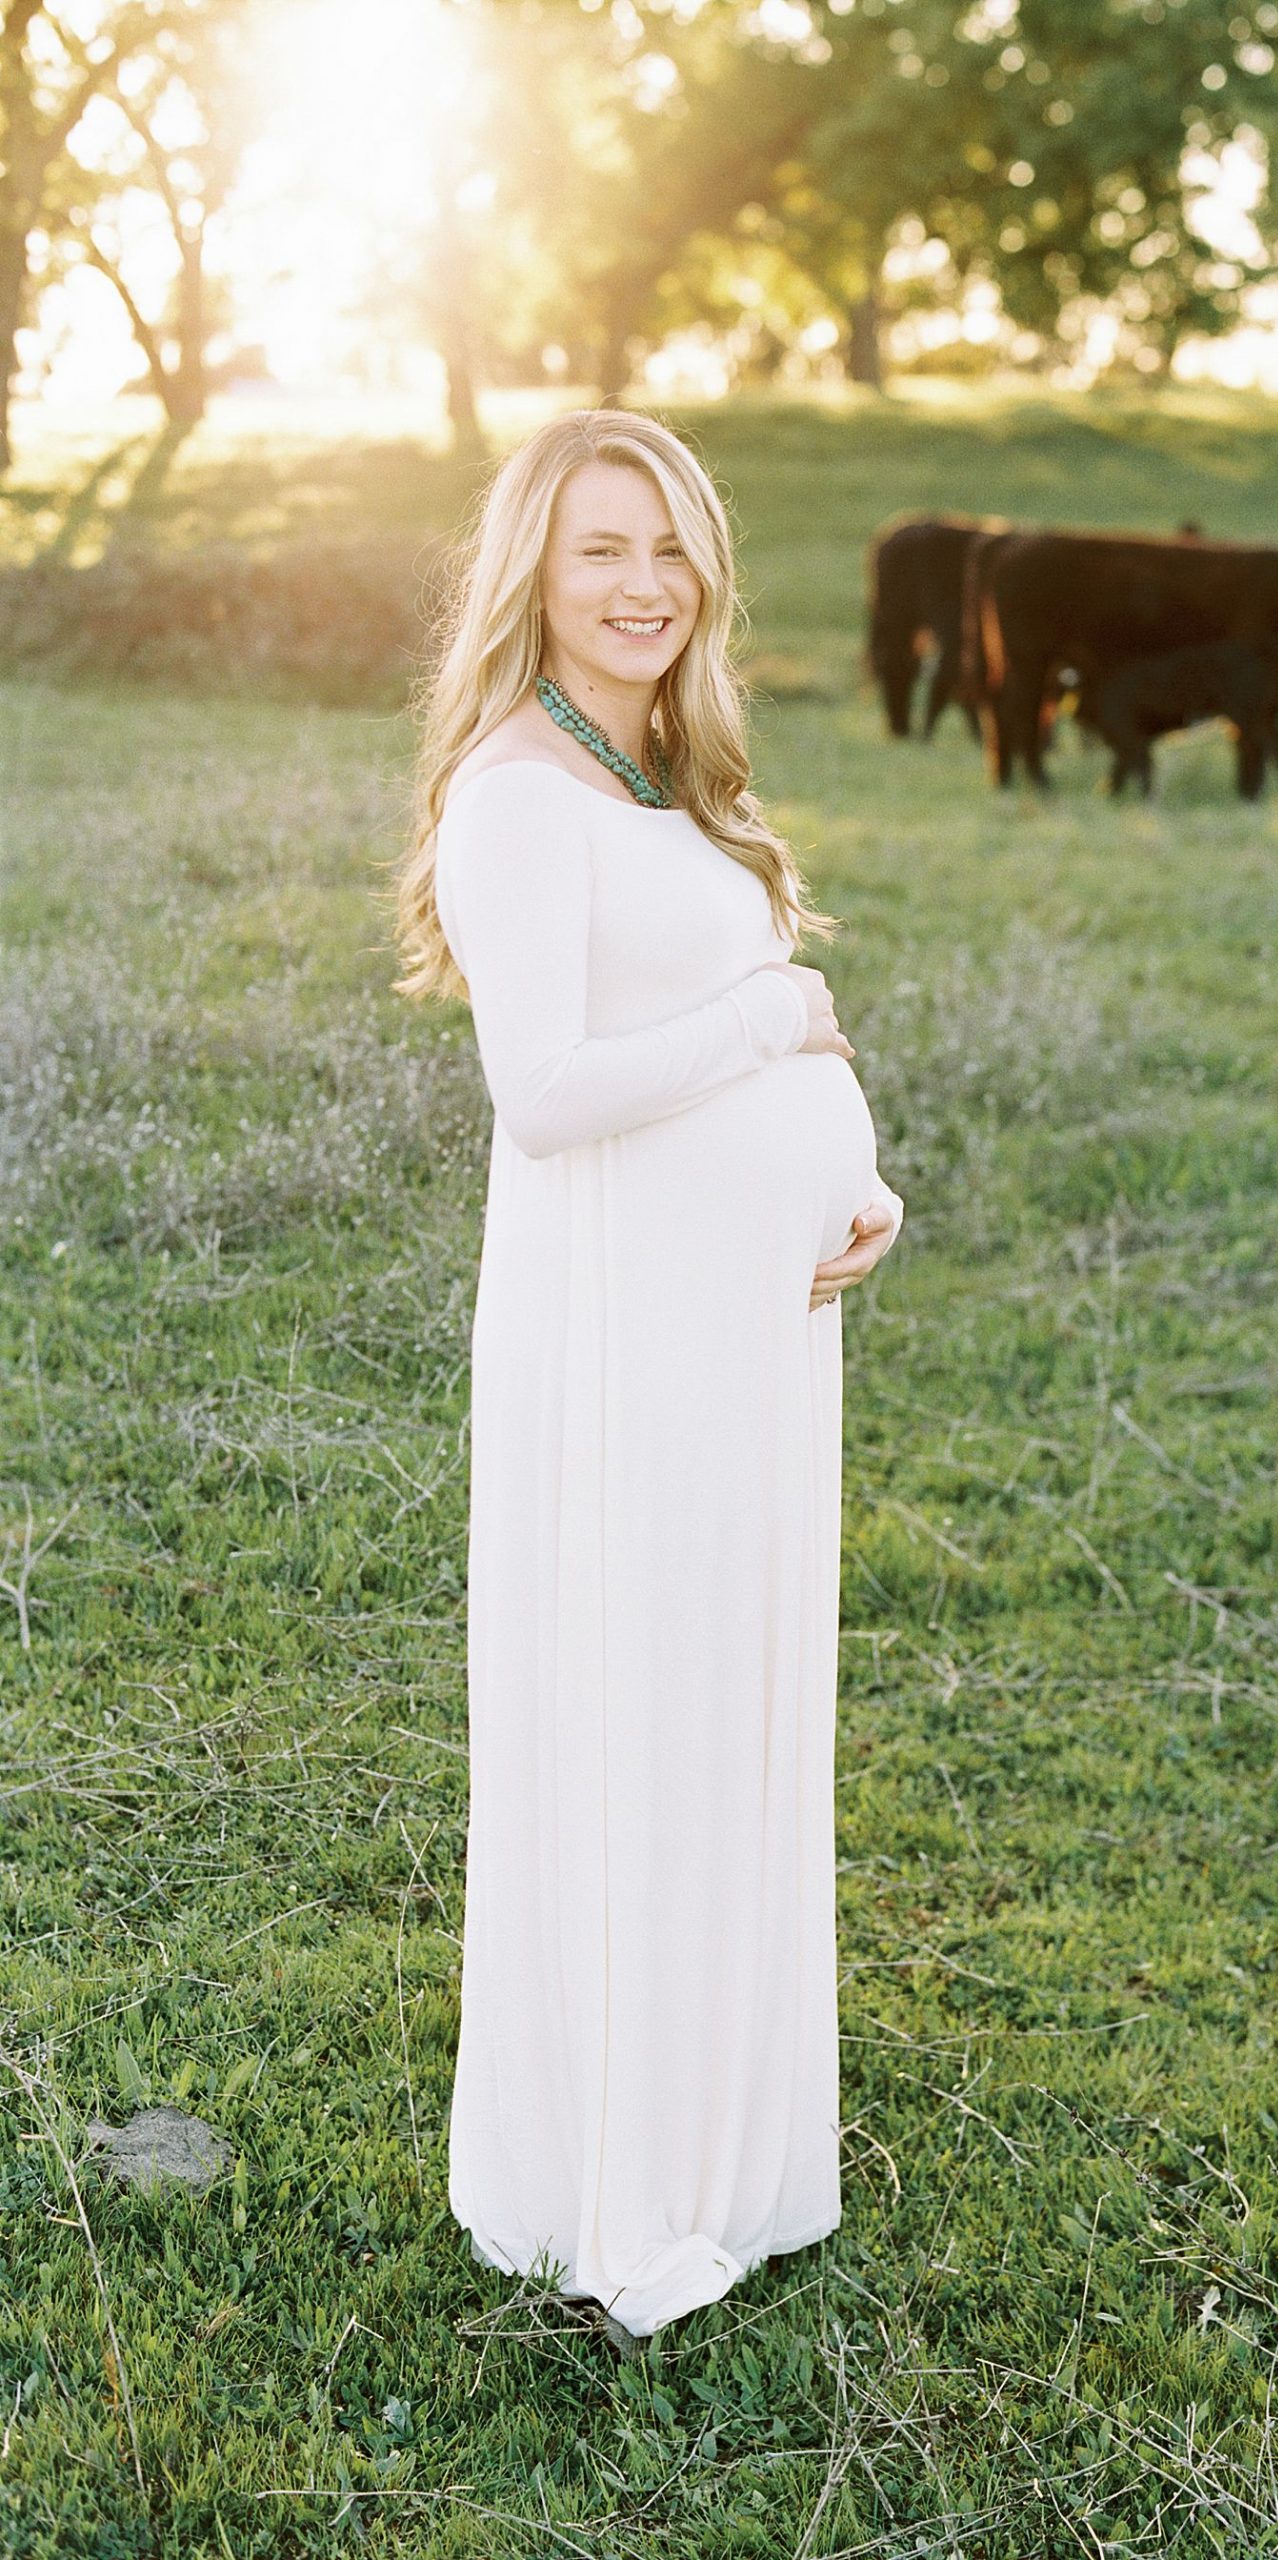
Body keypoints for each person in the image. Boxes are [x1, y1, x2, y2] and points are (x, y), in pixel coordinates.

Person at [388, 408, 904, 2339]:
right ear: (532, 570)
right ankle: (619, 2167)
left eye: (674, 545)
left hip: (737, 1335)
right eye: (604, 545)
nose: (647, 581)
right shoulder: (519, 794)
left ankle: (728, 2137)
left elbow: (739, 1055)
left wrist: (854, 1184)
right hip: (625, 1353)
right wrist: (783, 1008)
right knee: (637, 1724)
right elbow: (548, 1097)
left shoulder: (653, 775)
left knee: (723, 1715)